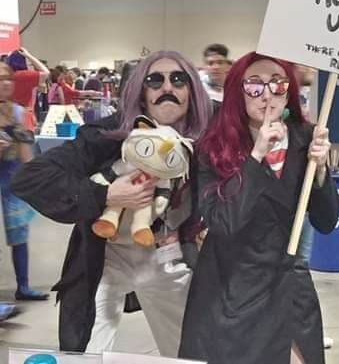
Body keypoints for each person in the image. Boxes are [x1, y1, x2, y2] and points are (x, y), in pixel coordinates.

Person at [11, 51, 213, 355]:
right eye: (154, 80)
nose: (167, 88)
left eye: (178, 79)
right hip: (106, 261)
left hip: (168, 261)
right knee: (84, 352)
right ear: (141, 92)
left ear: (192, 91)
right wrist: (105, 195)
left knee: (191, 352)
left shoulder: (208, 137)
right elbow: (31, 177)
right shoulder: (107, 136)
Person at [178, 52, 339, 364]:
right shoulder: (214, 146)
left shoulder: (306, 138)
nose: (267, 94)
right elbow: (224, 222)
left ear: (289, 91)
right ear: (238, 93)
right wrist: (256, 155)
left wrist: (320, 171)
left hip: (287, 284)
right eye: (254, 86)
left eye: (277, 85)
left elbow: (327, 220)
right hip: (231, 289)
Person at [0, 62, 48, 301]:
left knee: (19, 234)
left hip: (12, 179)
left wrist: (20, 141)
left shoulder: (19, 112)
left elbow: (27, 157)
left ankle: (24, 286)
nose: (5, 83)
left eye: (8, 78)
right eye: (0, 79)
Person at [7, 48, 49, 132]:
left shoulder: (7, 76)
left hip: (9, 115)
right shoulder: (24, 75)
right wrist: (28, 55)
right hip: (24, 117)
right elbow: (46, 72)